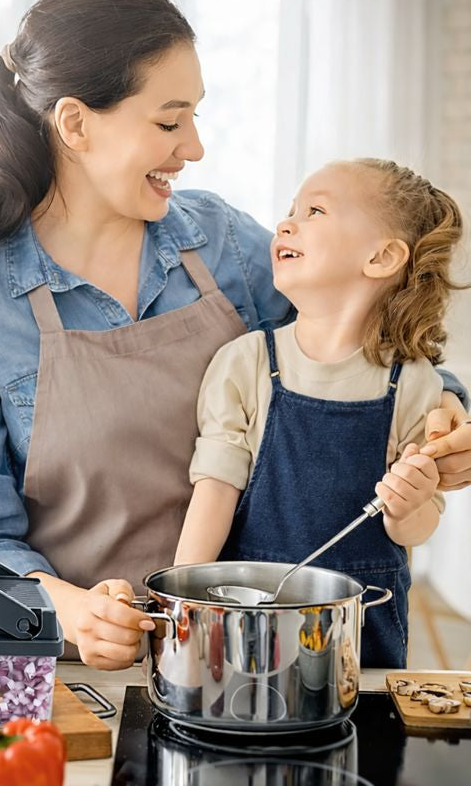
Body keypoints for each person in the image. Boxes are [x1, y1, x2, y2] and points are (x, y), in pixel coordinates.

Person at [0, 0, 471, 670]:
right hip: (83, 673)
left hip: (254, 661)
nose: (195, 148)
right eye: (170, 121)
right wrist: (75, 612)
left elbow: (353, 347)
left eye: (194, 117)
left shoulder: (224, 244)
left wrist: (445, 407)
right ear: (76, 124)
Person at [174, 159, 465, 668]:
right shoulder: (246, 362)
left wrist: (408, 505)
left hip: (364, 628)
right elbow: (214, 494)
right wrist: (181, 606)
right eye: (291, 210)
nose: (286, 223)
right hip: (250, 618)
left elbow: (416, 530)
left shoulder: (415, 384)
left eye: (314, 211)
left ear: (381, 257)